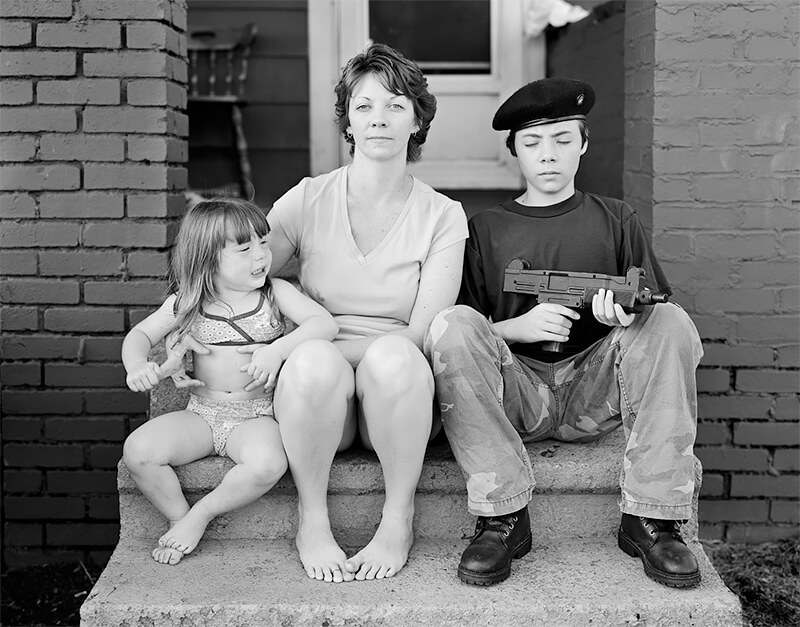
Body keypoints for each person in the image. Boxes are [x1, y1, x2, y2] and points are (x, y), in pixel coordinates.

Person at [423, 77, 704, 588]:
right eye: (532, 143)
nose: (547, 155)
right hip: (518, 395)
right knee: (451, 325)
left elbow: (653, 309)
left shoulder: (616, 218)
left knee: (671, 320)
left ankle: (653, 516)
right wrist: (519, 328)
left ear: (584, 145)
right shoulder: (484, 228)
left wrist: (622, 318)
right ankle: (502, 516)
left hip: (594, 395)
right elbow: (460, 335)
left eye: (562, 140)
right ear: (513, 151)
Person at [266, 43, 468, 583]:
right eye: (364, 105)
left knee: (396, 357)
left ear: (418, 121)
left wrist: (319, 342)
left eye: (396, 105)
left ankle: (397, 518)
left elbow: (425, 332)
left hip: (395, 397)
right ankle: (312, 518)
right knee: (312, 364)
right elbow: (239, 273)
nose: (379, 118)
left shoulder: (443, 216)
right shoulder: (305, 201)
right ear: (348, 121)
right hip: (316, 394)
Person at [121, 198, 338, 565]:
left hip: (256, 416)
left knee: (268, 464)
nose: (261, 256)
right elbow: (139, 336)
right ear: (208, 257)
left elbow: (324, 324)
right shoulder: (188, 301)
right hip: (202, 414)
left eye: (264, 243)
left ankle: (201, 514)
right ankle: (180, 518)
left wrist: (278, 350)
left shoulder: (275, 294)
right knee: (138, 452)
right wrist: (136, 365)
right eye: (244, 248)